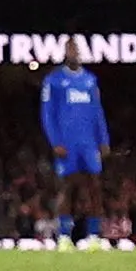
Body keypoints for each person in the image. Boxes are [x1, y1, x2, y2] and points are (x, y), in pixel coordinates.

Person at [39, 57, 111, 242]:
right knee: (67, 186)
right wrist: (55, 142)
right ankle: (64, 237)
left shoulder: (90, 80)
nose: (74, 52)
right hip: (68, 144)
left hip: (89, 144)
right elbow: (47, 114)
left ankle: (94, 237)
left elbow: (98, 112)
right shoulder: (54, 80)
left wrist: (103, 140)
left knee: (95, 187)